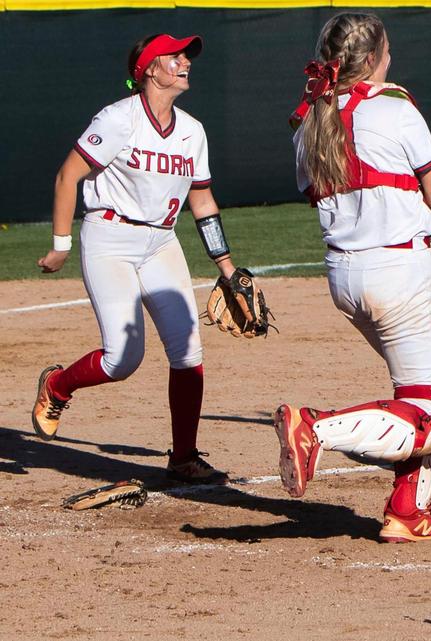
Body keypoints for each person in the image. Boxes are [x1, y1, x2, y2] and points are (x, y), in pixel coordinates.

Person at [273, 12, 431, 543]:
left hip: (344, 276)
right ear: (375, 58)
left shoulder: (312, 119)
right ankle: (315, 427)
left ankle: (409, 509)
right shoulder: (396, 110)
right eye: (387, 51)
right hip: (397, 272)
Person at [32, 33, 250, 484]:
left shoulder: (192, 131)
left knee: (188, 351)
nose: (185, 61)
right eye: (175, 56)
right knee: (122, 359)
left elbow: (203, 202)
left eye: (186, 55)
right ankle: (58, 385)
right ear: (150, 69)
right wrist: (61, 245)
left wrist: (227, 268)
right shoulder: (117, 119)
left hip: (161, 244)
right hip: (109, 237)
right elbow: (68, 175)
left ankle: (183, 456)